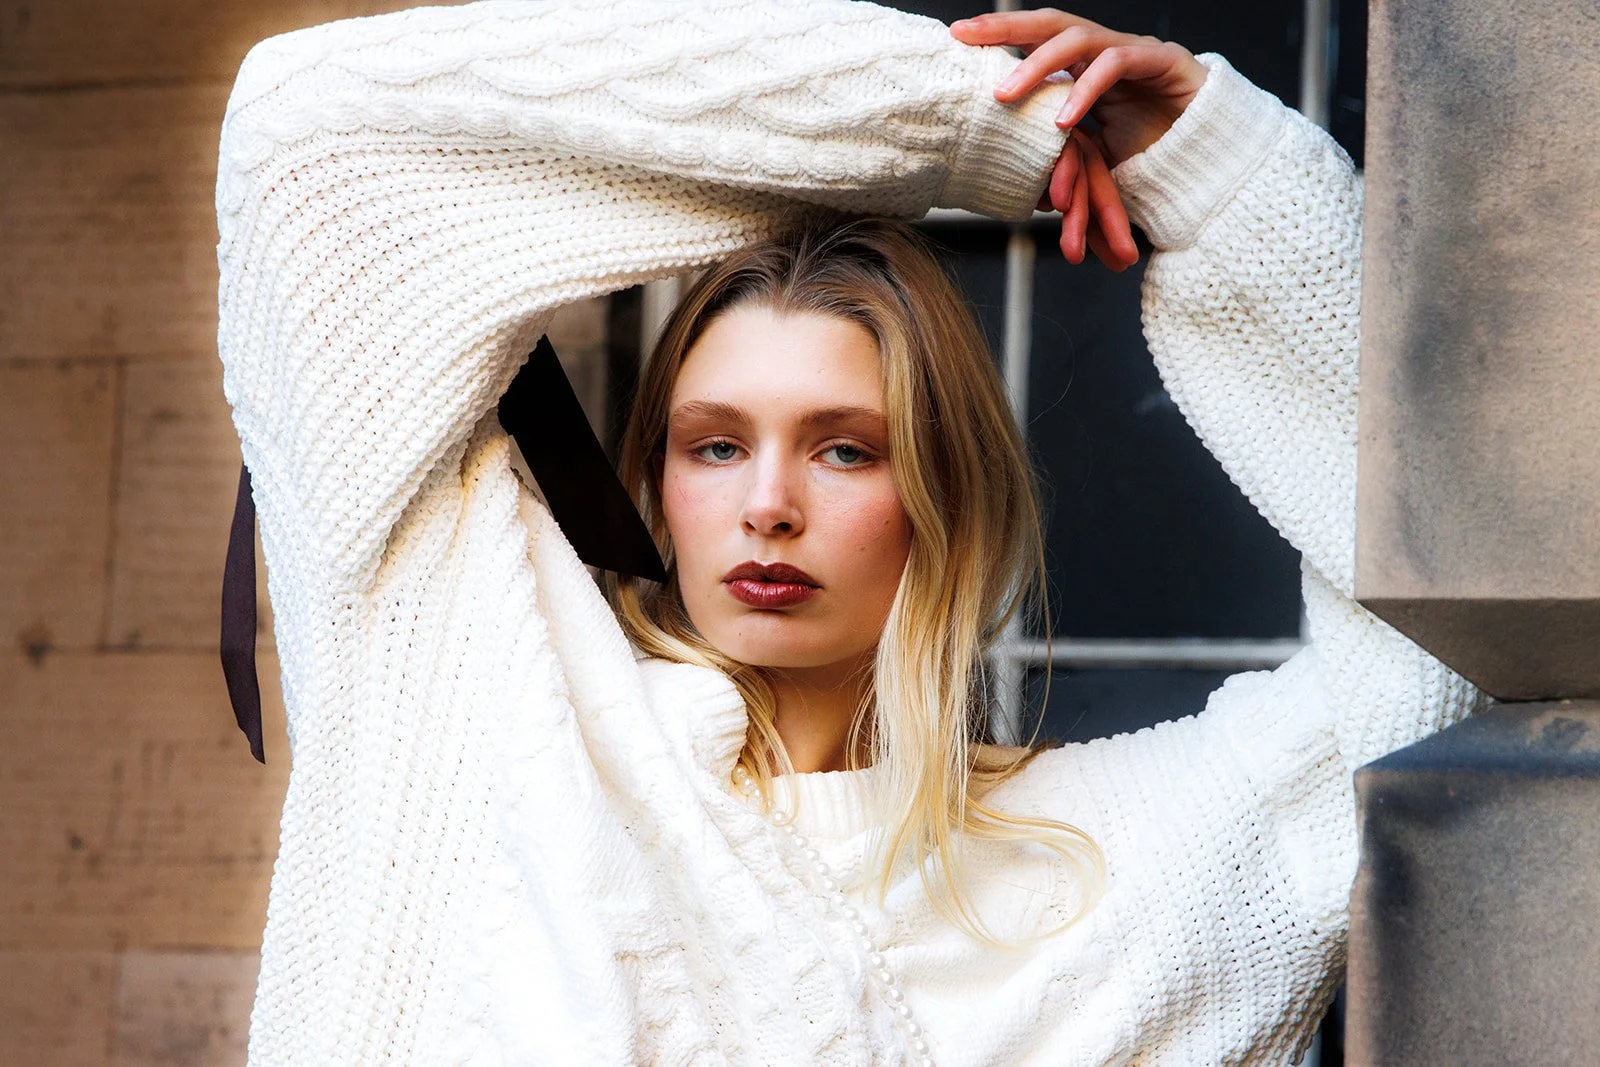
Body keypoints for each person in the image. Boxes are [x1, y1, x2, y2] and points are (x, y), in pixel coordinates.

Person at [214, 2, 1481, 1063]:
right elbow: (309, 136)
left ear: (948, 500)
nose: (768, 502)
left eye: (844, 447)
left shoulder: (1127, 870)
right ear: (658, 482)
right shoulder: (483, 714)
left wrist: (1219, 176)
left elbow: (1440, 656)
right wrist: (965, 118)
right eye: (715, 444)